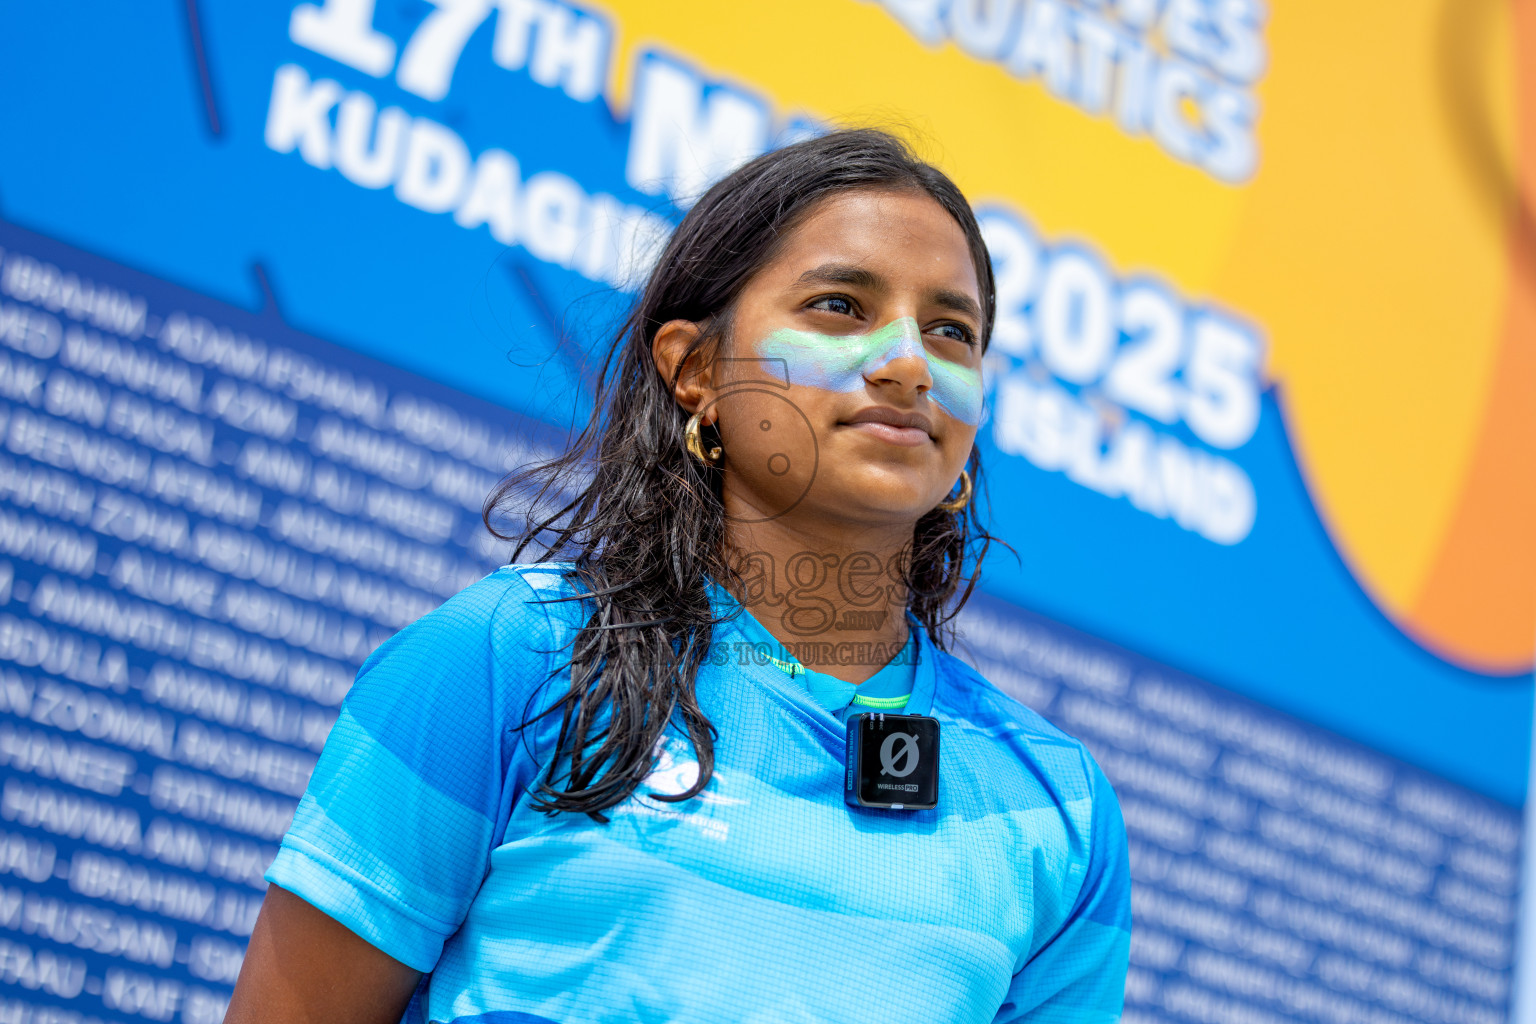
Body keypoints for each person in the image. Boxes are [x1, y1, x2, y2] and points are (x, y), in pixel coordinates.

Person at [226, 128, 1131, 1024]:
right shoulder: (514, 659)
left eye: (951, 331)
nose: (906, 364)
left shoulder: (1059, 809)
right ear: (695, 370)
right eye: (839, 308)